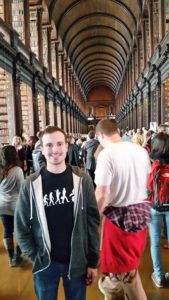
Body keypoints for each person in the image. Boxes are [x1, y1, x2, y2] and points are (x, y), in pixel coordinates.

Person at [14, 126, 100, 300]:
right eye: (49, 145)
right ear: (42, 149)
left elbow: (92, 223)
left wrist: (92, 261)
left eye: (60, 144)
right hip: (45, 263)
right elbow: (21, 226)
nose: (55, 150)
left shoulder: (83, 181)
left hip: (77, 261)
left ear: (66, 146)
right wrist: (35, 256)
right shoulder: (30, 185)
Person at [94, 119, 151, 300]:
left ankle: (108, 287)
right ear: (117, 131)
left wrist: (93, 219)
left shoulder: (107, 154)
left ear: (100, 135)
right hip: (141, 215)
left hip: (119, 219)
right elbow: (148, 182)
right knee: (130, 271)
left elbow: (102, 193)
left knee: (122, 271)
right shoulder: (140, 151)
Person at [147, 132, 169, 287]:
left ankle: (159, 276)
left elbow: (148, 187)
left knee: (155, 242)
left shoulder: (152, 164)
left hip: (154, 206)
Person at [0, 146, 27, 267]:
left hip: (2, 205)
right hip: (16, 206)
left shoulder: (1, 170)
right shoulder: (17, 170)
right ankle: (17, 256)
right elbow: (22, 189)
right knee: (18, 231)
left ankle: (11, 258)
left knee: (7, 231)